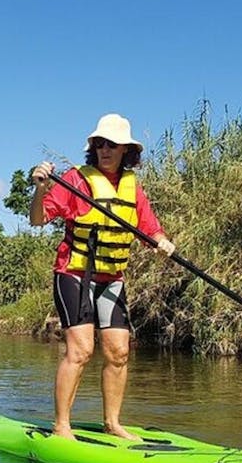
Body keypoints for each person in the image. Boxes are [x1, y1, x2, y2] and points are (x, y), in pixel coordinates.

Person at [29, 113, 176, 441]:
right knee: (80, 350)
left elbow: (149, 228)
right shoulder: (76, 180)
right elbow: (38, 219)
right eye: (99, 144)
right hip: (74, 275)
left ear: (126, 150)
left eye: (112, 144)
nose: (105, 149)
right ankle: (62, 426)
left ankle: (112, 423)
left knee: (119, 352)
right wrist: (41, 189)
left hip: (112, 278)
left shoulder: (131, 186)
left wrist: (162, 241)